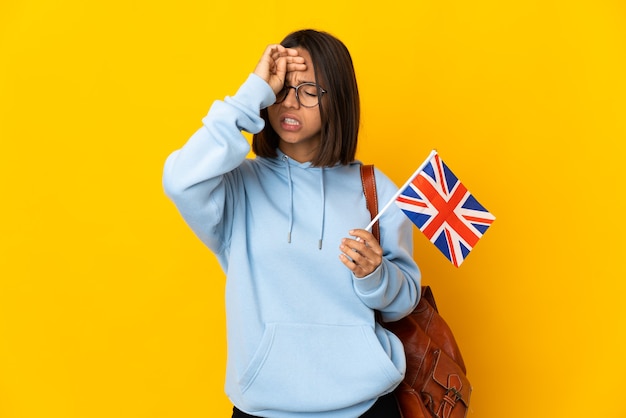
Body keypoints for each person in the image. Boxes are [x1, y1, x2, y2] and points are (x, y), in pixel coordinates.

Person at [163, 29, 421, 418]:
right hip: (265, 407)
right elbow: (178, 180)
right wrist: (253, 91)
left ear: (338, 99)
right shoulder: (236, 187)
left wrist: (376, 274)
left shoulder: (375, 189)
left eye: (309, 90)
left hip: (365, 405)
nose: (290, 104)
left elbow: (405, 302)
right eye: (281, 89)